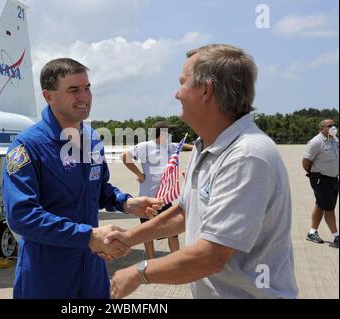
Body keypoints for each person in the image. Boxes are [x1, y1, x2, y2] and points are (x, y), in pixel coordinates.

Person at [106, 44, 299, 299]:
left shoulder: (246, 155)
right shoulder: (206, 144)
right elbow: (185, 212)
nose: (177, 94)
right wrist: (129, 238)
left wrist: (138, 272)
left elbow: (211, 256)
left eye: (182, 82)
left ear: (206, 90)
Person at [2, 58, 163, 299]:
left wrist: (125, 203)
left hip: (92, 269)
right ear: (49, 96)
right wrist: (87, 236)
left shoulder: (91, 138)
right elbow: (21, 216)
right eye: (73, 90)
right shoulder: (28, 146)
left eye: (87, 88)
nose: (84, 97)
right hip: (47, 274)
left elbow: (98, 189)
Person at [121, 121, 192, 259]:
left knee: (172, 232)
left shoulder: (169, 147)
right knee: (147, 234)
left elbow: (184, 146)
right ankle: (151, 261)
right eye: (168, 132)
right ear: (161, 134)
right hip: (147, 198)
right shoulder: (145, 146)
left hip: (165, 199)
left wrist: (197, 146)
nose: (170, 135)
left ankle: (175, 261)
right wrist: (139, 174)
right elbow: (125, 156)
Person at [303, 119, 339, 247]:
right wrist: (314, 173)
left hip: (333, 179)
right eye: (330, 126)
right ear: (321, 129)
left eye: (335, 125)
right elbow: (306, 161)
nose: (333, 127)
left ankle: (312, 232)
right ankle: (336, 237)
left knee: (321, 204)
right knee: (329, 208)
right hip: (321, 179)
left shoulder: (335, 140)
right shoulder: (316, 142)